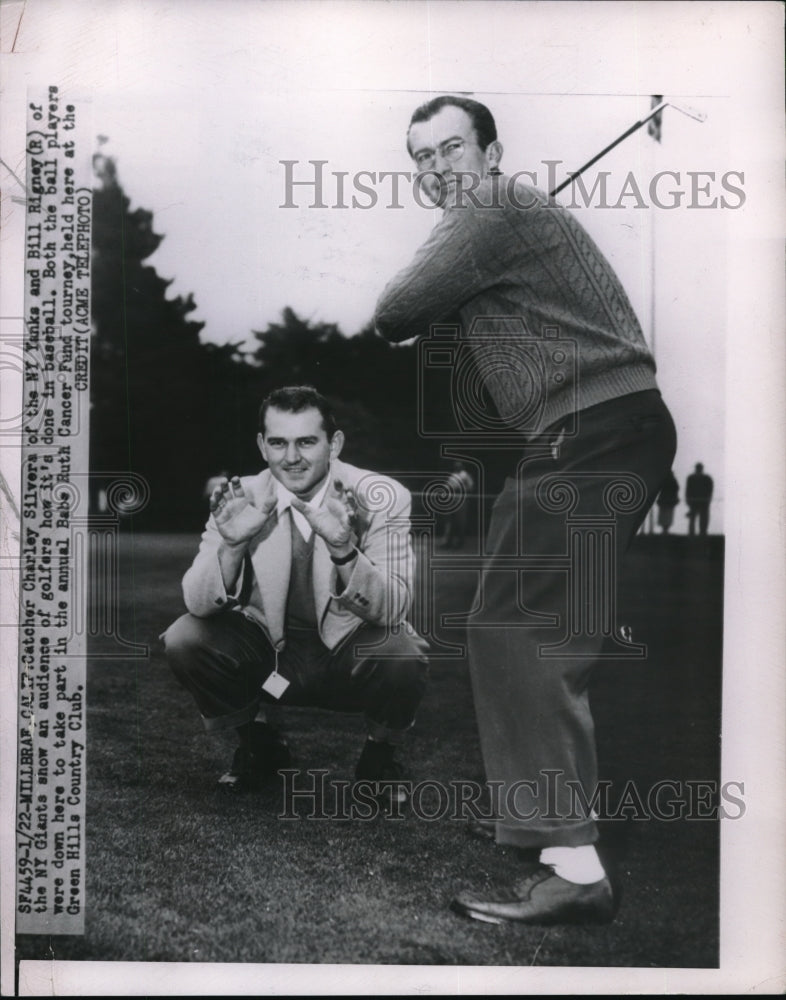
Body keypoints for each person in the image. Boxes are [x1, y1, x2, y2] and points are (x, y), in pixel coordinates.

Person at [375, 95, 677, 924]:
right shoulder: (499, 216)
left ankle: (574, 865)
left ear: (492, 151)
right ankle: (543, 824)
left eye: (451, 149)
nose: (436, 169)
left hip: (597, 431)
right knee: (514, 624)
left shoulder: (493, 206)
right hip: (586, 430)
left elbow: (394, 310)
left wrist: (440, 273)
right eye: (421, 159)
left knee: (521, 628)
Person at [162, 386, 428, 799]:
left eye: (306, 441)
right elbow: (196, 603)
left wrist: (344, 551)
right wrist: (232, 545)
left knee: (403, 652)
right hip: (272, 655)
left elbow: (394, 608)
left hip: (346, 653)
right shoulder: (241, 496)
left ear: (334, 444)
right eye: (278, 443)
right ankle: (258, 745)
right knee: (185, 638)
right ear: (261, 445)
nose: (291, 458)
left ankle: (379, 758)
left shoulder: (382, 496)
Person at [440, 461, 475, 549]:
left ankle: (460, 542)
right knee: (449, 521)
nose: (457, 467)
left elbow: (471, 487)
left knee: (460, 521)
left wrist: (460, 487)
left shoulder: (466, 475)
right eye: (455, 465)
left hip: (461, 499)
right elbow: (447, 486)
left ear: (462, 466)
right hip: (451, 499)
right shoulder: (453, 476)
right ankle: (448, 541)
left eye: (459, 465)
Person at [685, 463, 713, 536]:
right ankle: (699, 532)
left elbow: (688, 490)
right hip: (700, 501)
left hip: (698, 501)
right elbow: (710, 490)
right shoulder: (706, 478)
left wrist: (688, 499)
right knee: (699, 518)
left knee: (696, 518)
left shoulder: (691, 478)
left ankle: (696, 533)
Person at [656, 470, 680, 534]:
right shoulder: (672, 481)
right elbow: (676, 490)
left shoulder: (664, 480)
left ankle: (665, 529)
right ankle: (665, 528)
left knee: (665, 515)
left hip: (665, 500)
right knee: (667, 515)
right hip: (668, 500)